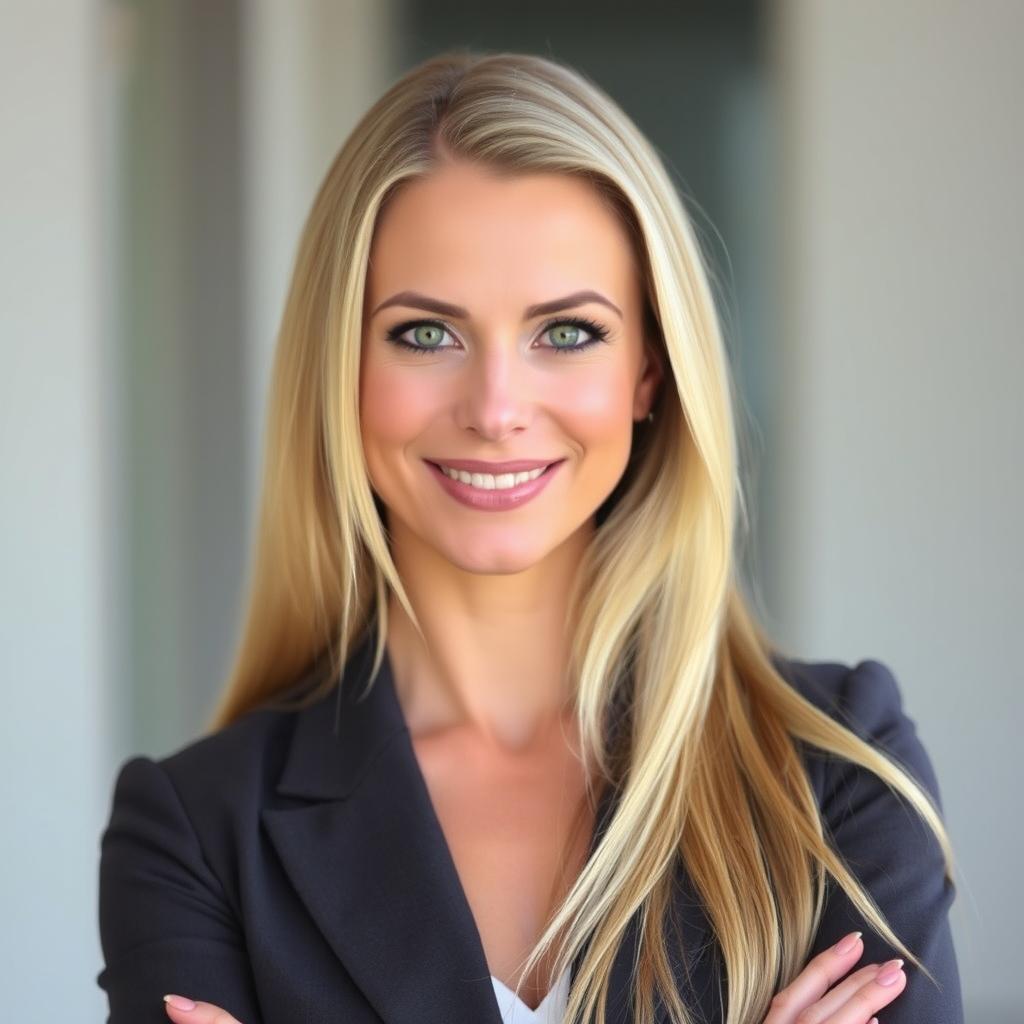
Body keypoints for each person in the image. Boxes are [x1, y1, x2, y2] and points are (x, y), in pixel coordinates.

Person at [96, 50, 963, 1024]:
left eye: (566, 332)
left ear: (648, 369)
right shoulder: (197, 834)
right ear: (338, 365)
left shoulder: (835, 772)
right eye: (426, 333)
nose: (497, 407)